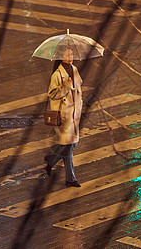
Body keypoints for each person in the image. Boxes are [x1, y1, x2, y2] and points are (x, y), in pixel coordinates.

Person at [44, 48, 83, 187]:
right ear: (60, 57)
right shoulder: (56, 74)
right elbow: (52, 94)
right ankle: (70, 179)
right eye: (67, 54)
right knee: (69, 146)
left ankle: (52, 160)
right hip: (64, 115)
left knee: (71, 145)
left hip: (74, 114)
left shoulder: (75, 69)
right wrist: (66, 86)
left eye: (72, 54)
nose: (70, 57)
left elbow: (79, 89)